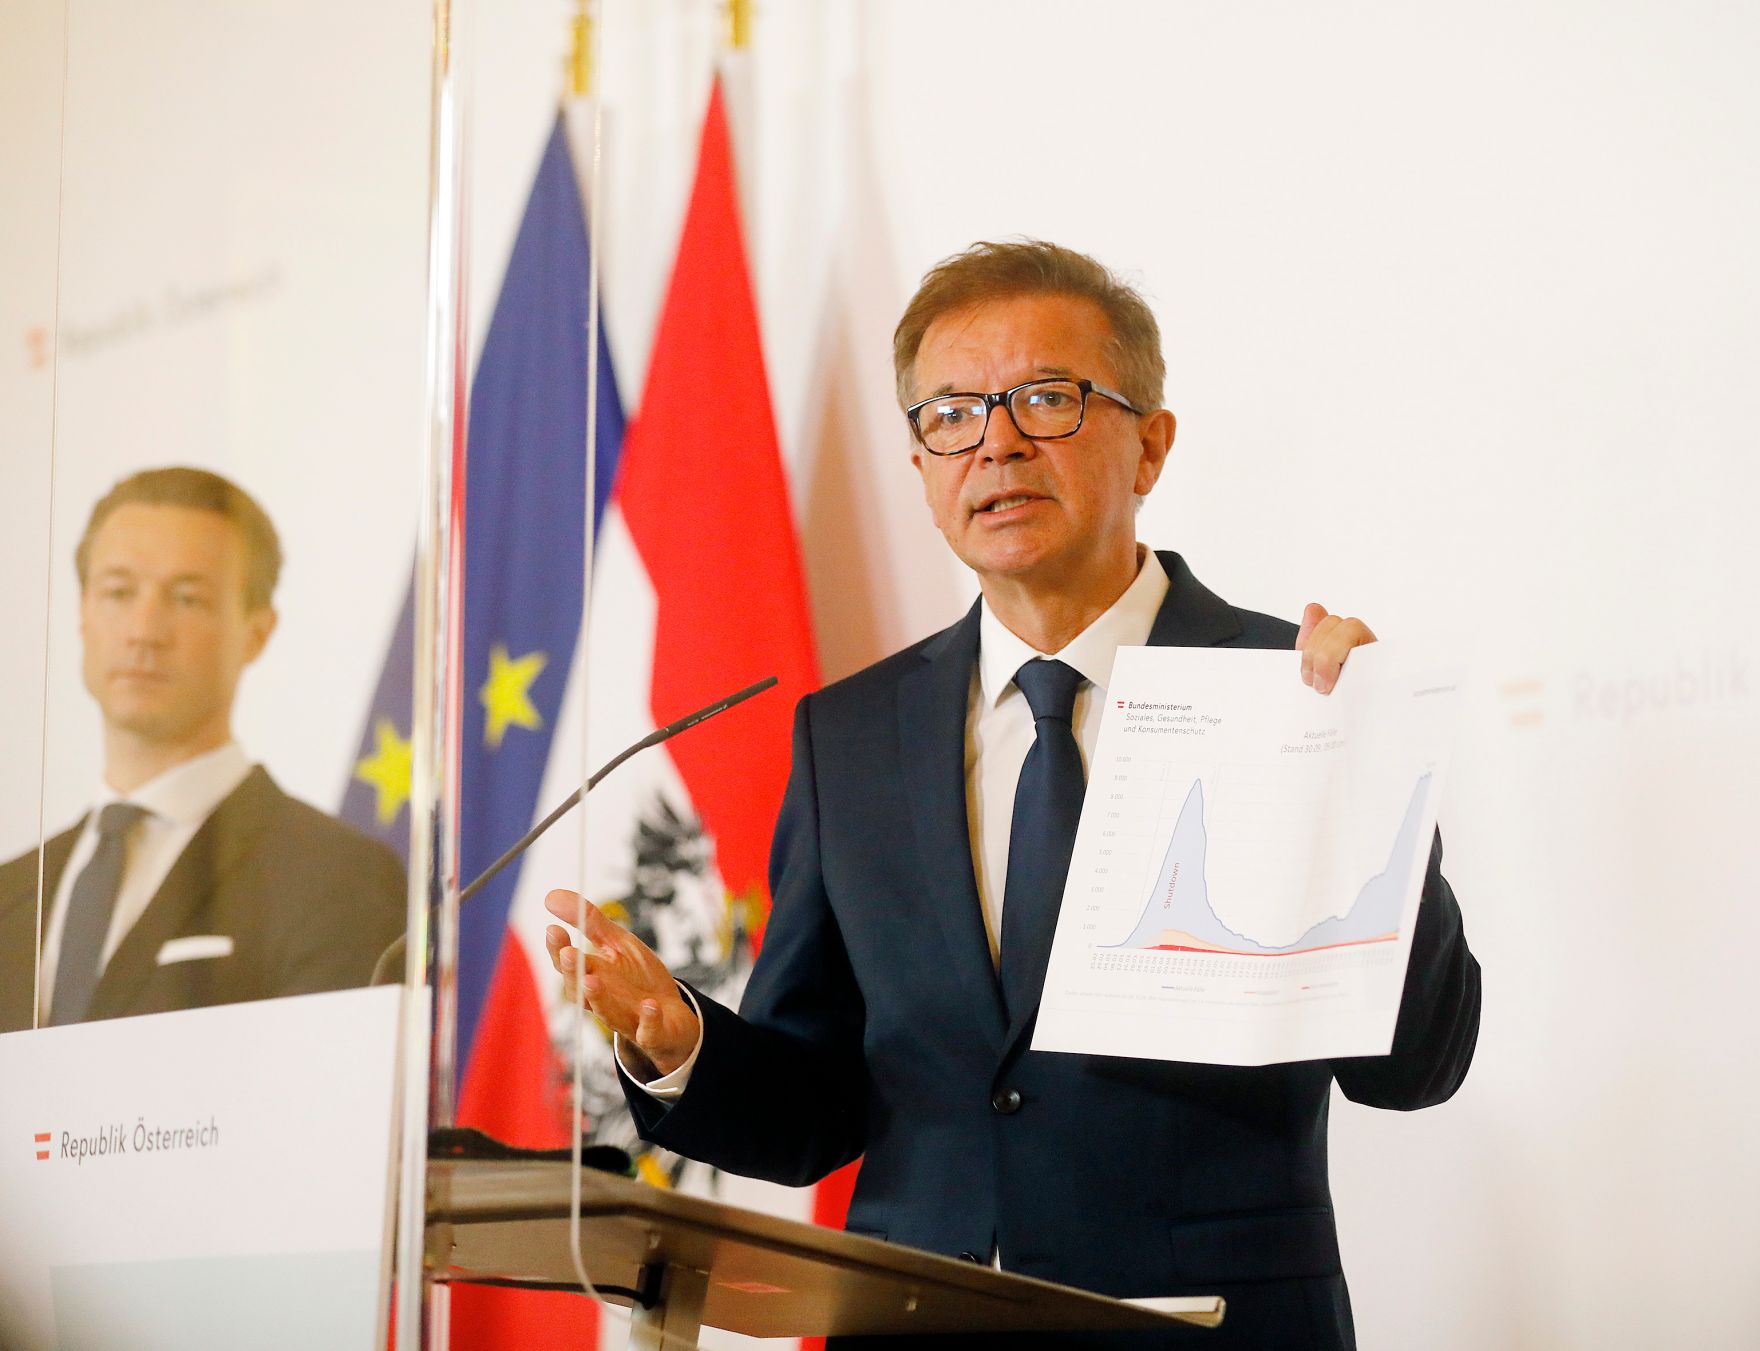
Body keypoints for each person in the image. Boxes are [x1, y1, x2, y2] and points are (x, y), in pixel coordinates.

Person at [542, 241, 1481, 1349]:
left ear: (1150, 446)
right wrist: (678, 1040)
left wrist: (1359, 780)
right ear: (920, 462)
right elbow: (817, 1105)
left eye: (1045, 398)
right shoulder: (851, 733)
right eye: (951, 412)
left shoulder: (1289, 692)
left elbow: (1413, 1065)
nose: (995, 440)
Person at [0, 467, 406, 1033]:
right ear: (83, 615)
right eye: (118, 592)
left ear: (257, 632)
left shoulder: (336, 878)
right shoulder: (10, 892)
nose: (144, 629)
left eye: (187, 599)